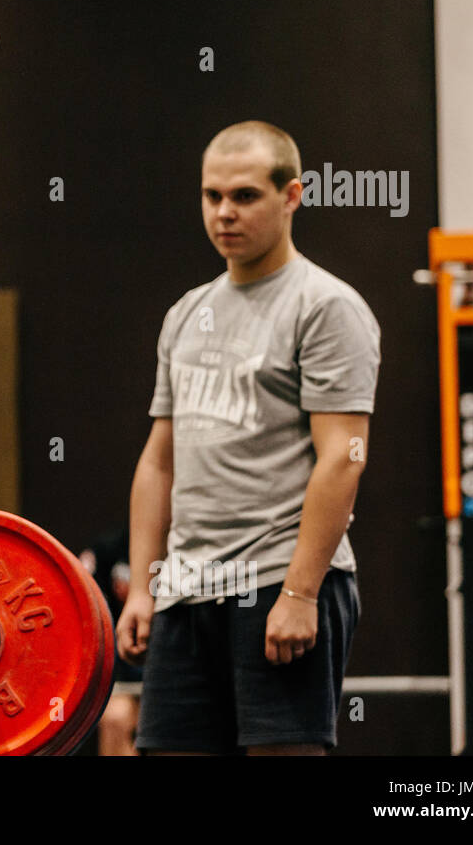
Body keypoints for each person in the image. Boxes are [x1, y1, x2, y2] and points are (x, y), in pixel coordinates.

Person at [116, 121, 379, 755]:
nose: (224, 213)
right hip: (187, 589)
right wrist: (147, 588)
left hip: (275, 579)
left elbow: (344, 456)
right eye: (212, 197)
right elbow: (159, 463)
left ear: (292, 196)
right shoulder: (186, 312)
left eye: (244, 196)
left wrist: (299, 592)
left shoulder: (325, 307)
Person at [79, 530, 141, 755]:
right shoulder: (108, 550)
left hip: (173, 671)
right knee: (116, 717)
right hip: (119, 673)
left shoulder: (188, 555)